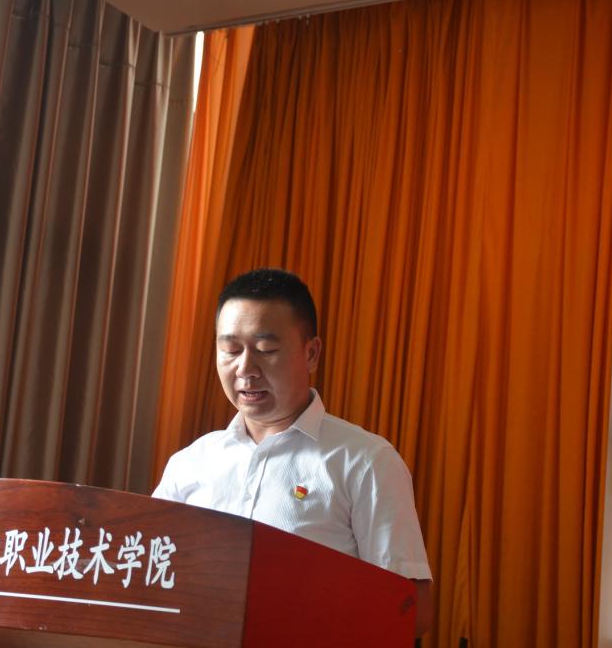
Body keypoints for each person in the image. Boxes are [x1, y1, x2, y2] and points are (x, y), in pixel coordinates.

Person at [153, 268, 433, 637]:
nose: (245, 369)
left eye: (266, 350)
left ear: (311, 353)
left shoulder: (366, 461)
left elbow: (412, 611)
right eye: (231, 350)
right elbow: (148, 573)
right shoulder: (190, 463)